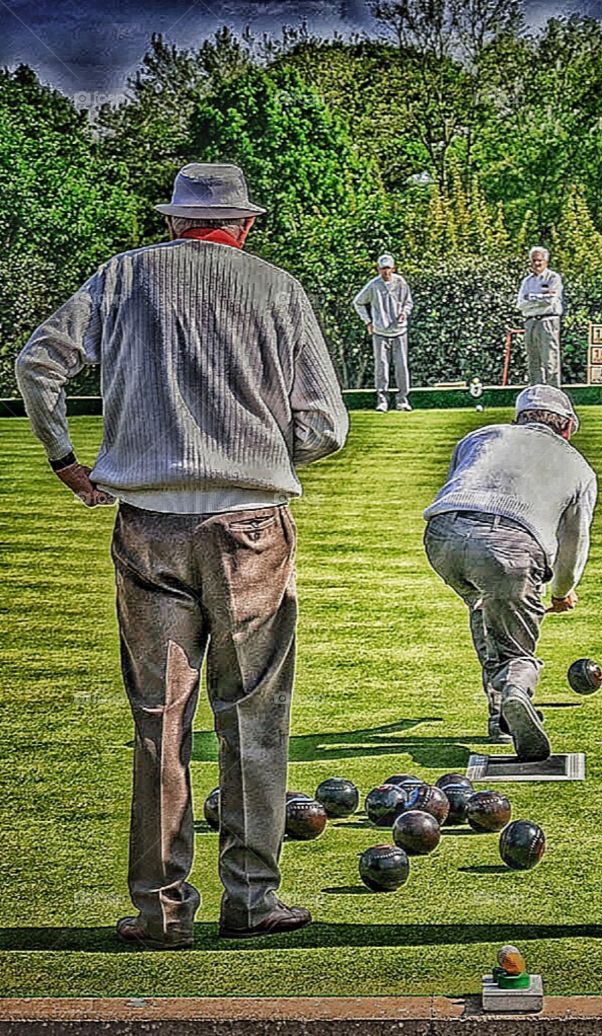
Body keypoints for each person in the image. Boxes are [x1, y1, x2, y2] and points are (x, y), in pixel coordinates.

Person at [16, 162, 349, 949]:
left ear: (172, 222)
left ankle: (160, 909)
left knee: (158, 724)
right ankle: (253, 899)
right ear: (244, 224)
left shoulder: (123, 275)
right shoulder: (277, 288)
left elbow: (38, 363)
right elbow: (327, 427)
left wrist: (65, 457)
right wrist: (266, 454)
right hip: (249, 527)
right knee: (254, 717)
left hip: (148, 526)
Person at [423, 385, 597, 760]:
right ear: (566, 427)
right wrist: (562, 591)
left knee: (484, 608)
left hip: (442, 535)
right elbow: (574, 542)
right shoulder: (579, 467)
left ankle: (499, 715)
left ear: (519, 418)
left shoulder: (479, 437)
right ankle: (516, 693)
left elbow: (460, 482)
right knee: (516, 646)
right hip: (511, 547)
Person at [353, 254, 414, 412]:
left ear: (393, 268)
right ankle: (382, 400)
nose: (385, 271)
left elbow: (408, 302)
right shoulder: (373, 285)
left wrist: (404, 313)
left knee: (401, 366)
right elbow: (358, 302)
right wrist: (368, 321)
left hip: (400, 331)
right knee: (381, 366)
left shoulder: (401, 282)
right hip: (380, 332)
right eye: (382, 268)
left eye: (388, 268)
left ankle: (402, 400)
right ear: (378, 269)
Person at [516, 246, 563, 387]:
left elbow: (549, 301)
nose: (536, 264)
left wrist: (531, 297)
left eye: (539, 261)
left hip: (548, 321)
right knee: (533, 360)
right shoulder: (527, 281)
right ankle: (536, 393)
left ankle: (553, 392)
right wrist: (539, 298)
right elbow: (521, 304)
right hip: (530, 321)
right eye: (533, 261)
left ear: (546, 261)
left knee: (550, 359)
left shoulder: (553, 278)